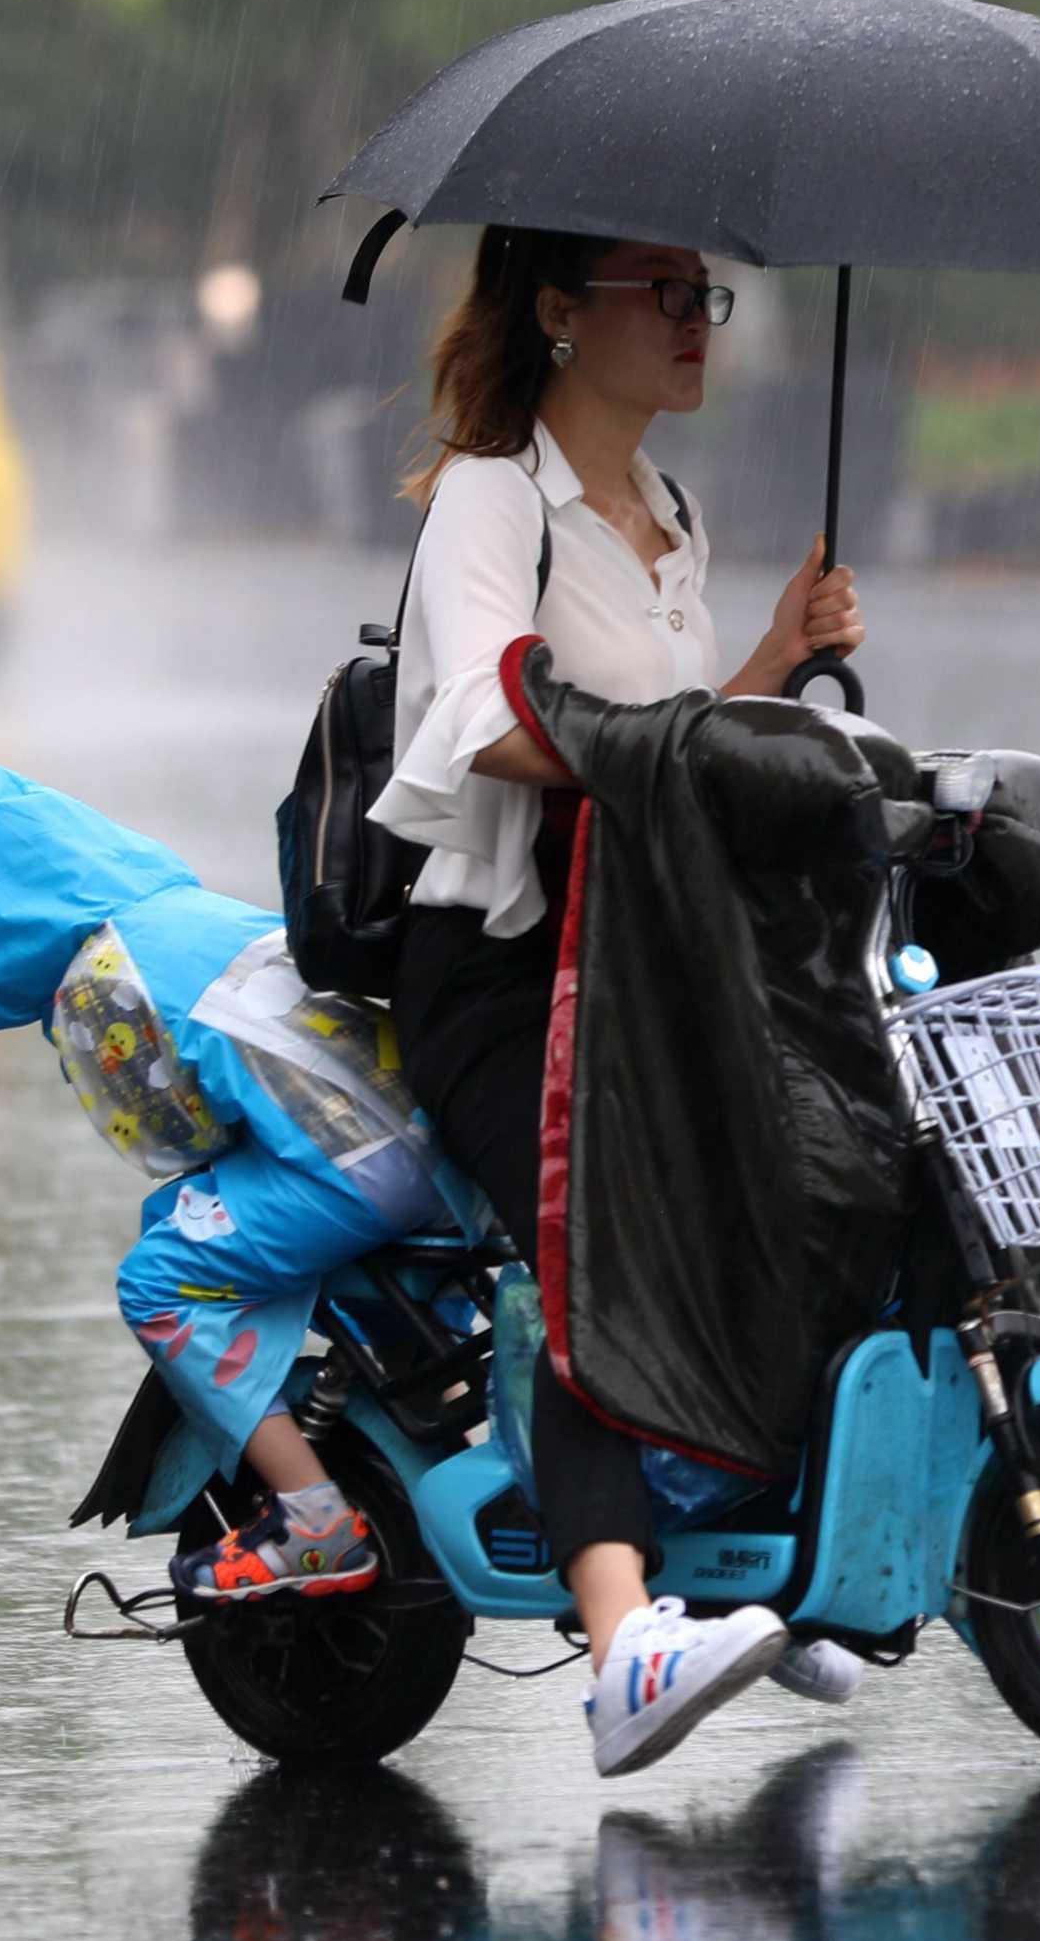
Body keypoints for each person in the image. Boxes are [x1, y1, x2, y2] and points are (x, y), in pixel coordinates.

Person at [369, 224, 872, 1777]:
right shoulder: (489, 495)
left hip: (645, 957)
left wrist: (777, 660)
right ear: (560, 312)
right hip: (499, 974)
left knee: (826, 1164)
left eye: (704, 293)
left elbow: (674, 766)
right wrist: (667, 736)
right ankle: (618, 1643)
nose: (696, 320)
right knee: (607, 1233)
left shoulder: (669, 508)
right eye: (663, 294)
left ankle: (738, 1548)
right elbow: (486, 723)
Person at [0, 769, 444, 1609]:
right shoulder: (204, 915)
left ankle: (315, 1519)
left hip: (354, 1170)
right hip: (440, 1147)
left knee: (158, 1278)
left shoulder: (100, 974)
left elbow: (172, 1136)